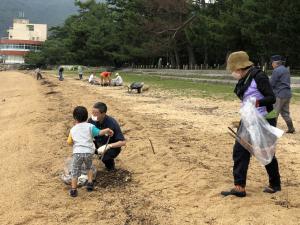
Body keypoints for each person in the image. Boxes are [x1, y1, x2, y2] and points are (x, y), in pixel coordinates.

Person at [221, 51, 281, 197]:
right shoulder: (244, 79)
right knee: (240, 150)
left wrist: (257, 102)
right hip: (249, 118)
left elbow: (271, 98)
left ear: (240, 68)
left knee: (265, 152)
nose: (233, 73)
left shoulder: (259, 76)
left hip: (264, 118)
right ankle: (239, 186)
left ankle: (275, 184)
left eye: (233, 70)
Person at [67, 106, 113, 197]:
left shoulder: (73, 129)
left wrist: (74, 143)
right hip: (88, 152)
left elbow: (69, 142)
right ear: (86, 116)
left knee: (75, 170)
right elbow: (99, 132)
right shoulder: (90, 126)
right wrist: (107, 130)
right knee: (89, 167)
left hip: (77, 153)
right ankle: (90, 183)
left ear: (75, 118)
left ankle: (73, 190)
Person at [88, 102, 126, 171]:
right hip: (97, 143)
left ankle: (111, 167)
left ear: (103, 114)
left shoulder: (112, 123)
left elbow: (122, 142)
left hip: (111, 146)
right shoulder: (91, 120)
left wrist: (108, 146)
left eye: (96, 113)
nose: (93, 115)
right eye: (92, 112)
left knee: (106, 157)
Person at [270, 55, 295, 133]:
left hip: (279, 94)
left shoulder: (276, 71)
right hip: (287, 94)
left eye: (272, 63)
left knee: (274, 112)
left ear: (275, 63)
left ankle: (271, 130)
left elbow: (271, 83)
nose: (271, 64)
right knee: (285, 113)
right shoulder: (286, 70)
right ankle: (291, 128)